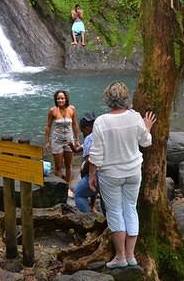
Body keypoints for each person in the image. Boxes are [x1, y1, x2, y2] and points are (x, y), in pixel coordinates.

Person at [88, 81, 156, 269]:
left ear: (107, 99)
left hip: (110, 174)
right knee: (130, 209)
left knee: (115, 212)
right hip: (133, 172)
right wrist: (147, 126)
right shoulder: (135, 118)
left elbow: (96, 155)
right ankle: (131, 255)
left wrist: (92, 175)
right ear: (126, 98)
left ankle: (120, 257)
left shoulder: (101, 121)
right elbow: (146, 142)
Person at [45, 90, 80, 198]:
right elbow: (48, 126)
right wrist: (47, 141)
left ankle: (68, 188)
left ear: (66, 99)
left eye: (62, 98)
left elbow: (75, 124)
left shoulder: (72, 109)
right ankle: (59, 188)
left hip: (69, 140)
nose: (60, 100)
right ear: (56, 100)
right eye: (58, 98)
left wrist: (77, 139)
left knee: (69, 165)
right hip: (57, 141)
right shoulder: (53, 111)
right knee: (58, 167)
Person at [74, 112, 98, 213]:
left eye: (82, 130)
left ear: (87, 128)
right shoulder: (102, 133)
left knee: (79, 194)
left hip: (98, 174)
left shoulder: (89, 138)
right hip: (114, 173)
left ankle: (88, 218)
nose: (82, 133)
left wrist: (84, 170)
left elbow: (91, 160)